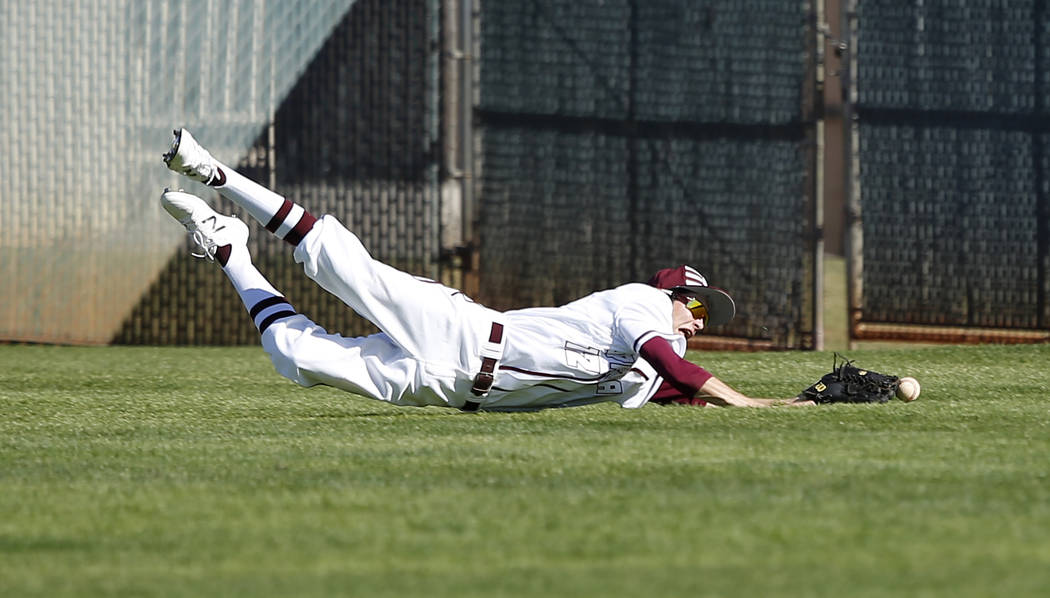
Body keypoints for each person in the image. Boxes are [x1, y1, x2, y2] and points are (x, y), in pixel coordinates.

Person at [160, 129, 814, 411]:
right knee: (337, 260)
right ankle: (214, 170)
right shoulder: (640, 304)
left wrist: (790, 406)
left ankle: (230, 251)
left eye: (705, 318)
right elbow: (678, 370)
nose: (698, 324)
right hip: (467, 334)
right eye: (696, 308)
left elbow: (672, 389)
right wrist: (748, 400)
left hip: (449, 391)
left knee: (292, 356)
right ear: (671, 293)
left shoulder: (644, 364)